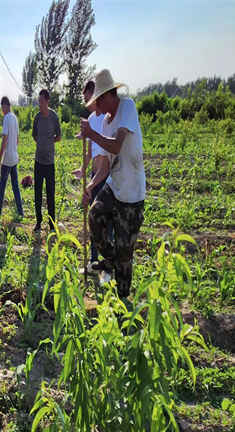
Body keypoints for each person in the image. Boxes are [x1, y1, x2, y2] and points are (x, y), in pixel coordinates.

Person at [79, 69, 146, 300]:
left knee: (125, 257)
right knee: (94, 215)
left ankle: (123, 305)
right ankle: (110, 260)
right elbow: (107, 164)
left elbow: (116, 145)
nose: (96, 106)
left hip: (132, 194)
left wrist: (91, 134)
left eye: (98, 100)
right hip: (114, 186)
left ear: (108, 94)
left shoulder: (127, 107)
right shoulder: (106, 122)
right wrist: (91, 184)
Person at [73, 81, 112, 269]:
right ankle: (93, 260)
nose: (86, 103)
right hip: (94, 175)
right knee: (92, 217)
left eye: (88, 98)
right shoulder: (90, 119)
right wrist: (83, 169)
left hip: (106, 176)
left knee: (106, 219)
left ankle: (109, 262)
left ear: (95, 95)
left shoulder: (106, 117)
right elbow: (89, 152)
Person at [32, 88, 62, 232]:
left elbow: (59, 136)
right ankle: (38, 222)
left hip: (49, 163)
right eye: (39, 102)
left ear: (48, 101)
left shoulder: (54, 117)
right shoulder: (37, 118)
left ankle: (51, 225)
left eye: (42, 102)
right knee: (37, 194)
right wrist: (42, 143)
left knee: (50, 195)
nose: (40, 104)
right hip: (38, 162)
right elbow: (34, 136)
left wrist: (49, 142)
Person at [0, 96, 23, 220]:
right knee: (15, 186)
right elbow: (17, 140)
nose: (2, 110)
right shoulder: (15, 118)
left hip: (7, 159)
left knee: (2, 186)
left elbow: (4, 139)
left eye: (2, 107)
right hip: (14, 157)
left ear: (5, 105)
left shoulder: (7, 118)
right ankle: (20, 211)